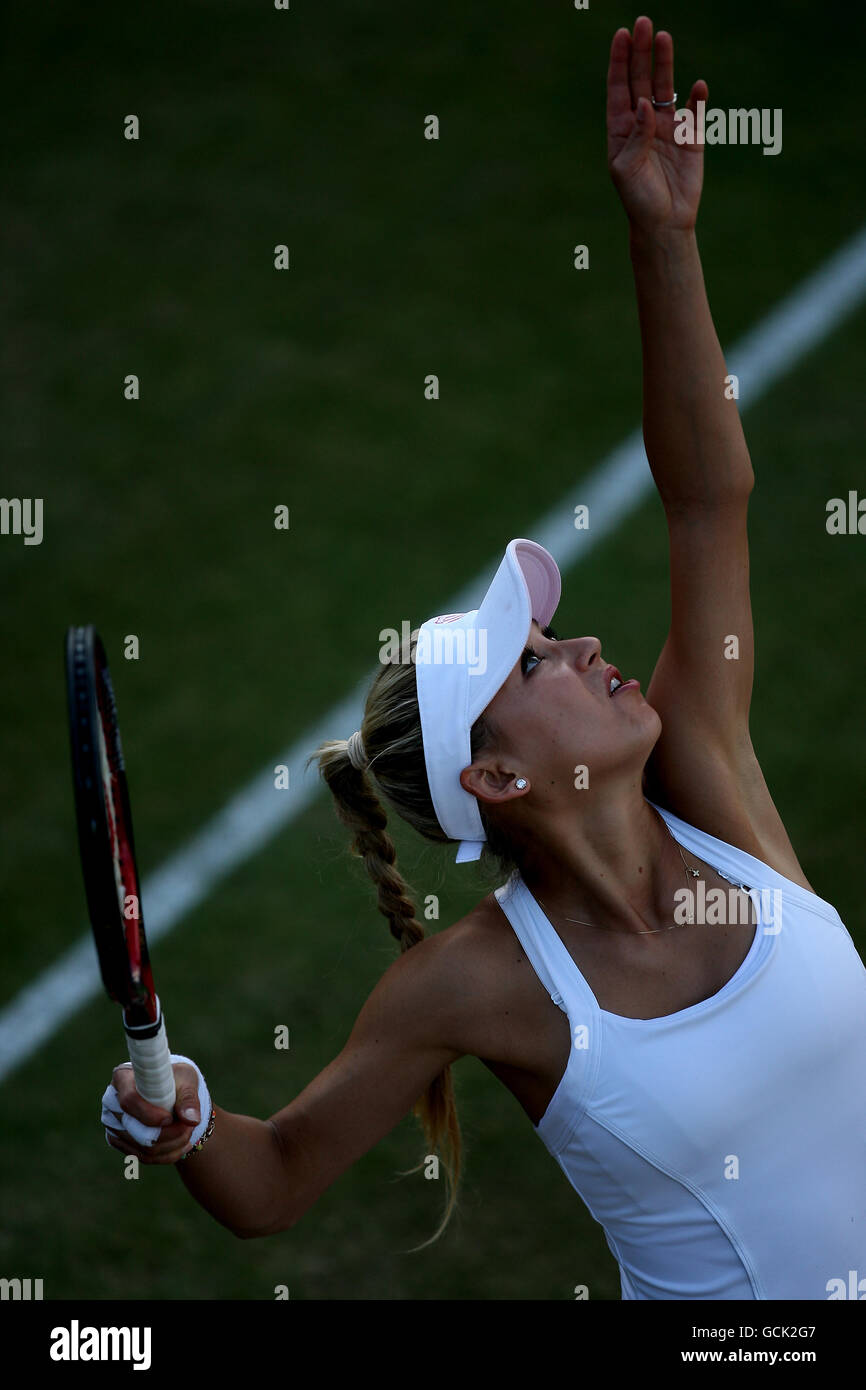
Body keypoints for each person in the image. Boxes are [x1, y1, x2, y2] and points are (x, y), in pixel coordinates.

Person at [101, 17, 866, 1298]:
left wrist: (661, 238)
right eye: (533, 663)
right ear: (498, 779)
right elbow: (276, 1179)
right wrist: (181, 1123)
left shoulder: (711, 784)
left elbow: (704, 503)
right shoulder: (470, 983)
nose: (582, 646)